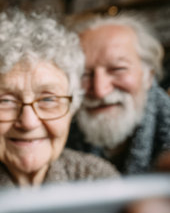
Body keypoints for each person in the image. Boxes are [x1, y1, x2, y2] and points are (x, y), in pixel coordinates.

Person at [0, 9, 120, 199]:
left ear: (72, 108)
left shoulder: (96, 179)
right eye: (6, 100)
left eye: (48, 99)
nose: (28, 122)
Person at [66, 12, 170, 174]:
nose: (100, 91)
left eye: (117, 69)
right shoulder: (55, 141)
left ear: (148, 76)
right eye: (83, 74)